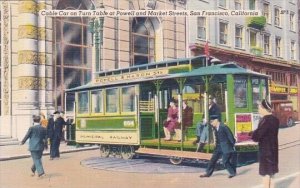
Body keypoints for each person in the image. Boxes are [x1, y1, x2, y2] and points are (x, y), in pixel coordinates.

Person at [250, 99, 279, 188]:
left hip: (266, 152)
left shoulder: (265, 121)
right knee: (272, 173)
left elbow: (257, 136)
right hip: (273, 150)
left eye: (259, 108)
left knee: (266, 174)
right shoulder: (275, 120)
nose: (258, 110)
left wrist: (251, 134)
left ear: (264, 109)